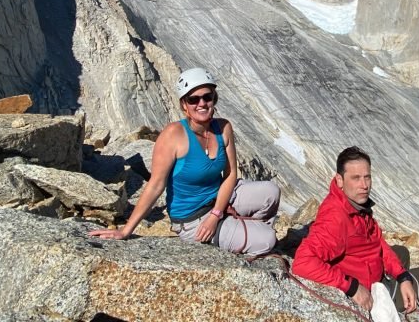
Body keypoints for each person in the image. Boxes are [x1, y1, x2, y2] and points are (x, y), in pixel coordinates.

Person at [89, 67, 279, 255]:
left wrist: (216, 213)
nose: (202, 103)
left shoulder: (223, 128)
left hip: (219, 200)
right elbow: (156, 185)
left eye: (207, 97)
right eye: (193, 99)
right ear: (184, 105)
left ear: (214, 99)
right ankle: (242, 233)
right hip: (192, 218)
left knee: (271, 192)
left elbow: (230, 175)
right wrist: (126, 230)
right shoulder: (173, 135)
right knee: (267, 240)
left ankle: (236, 226)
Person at [292, 146, 419, 314]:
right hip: (367, 289)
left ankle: (399, 283)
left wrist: (402, 276)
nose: (364, 185)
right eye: (356, 178)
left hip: (366, 267)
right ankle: (395, 296)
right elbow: (302, 262)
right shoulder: (335, 218)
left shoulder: (355, 204)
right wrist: (352, 287)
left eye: (367, 177)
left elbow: (377, 243)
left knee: (401, 252)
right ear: (340, 180)